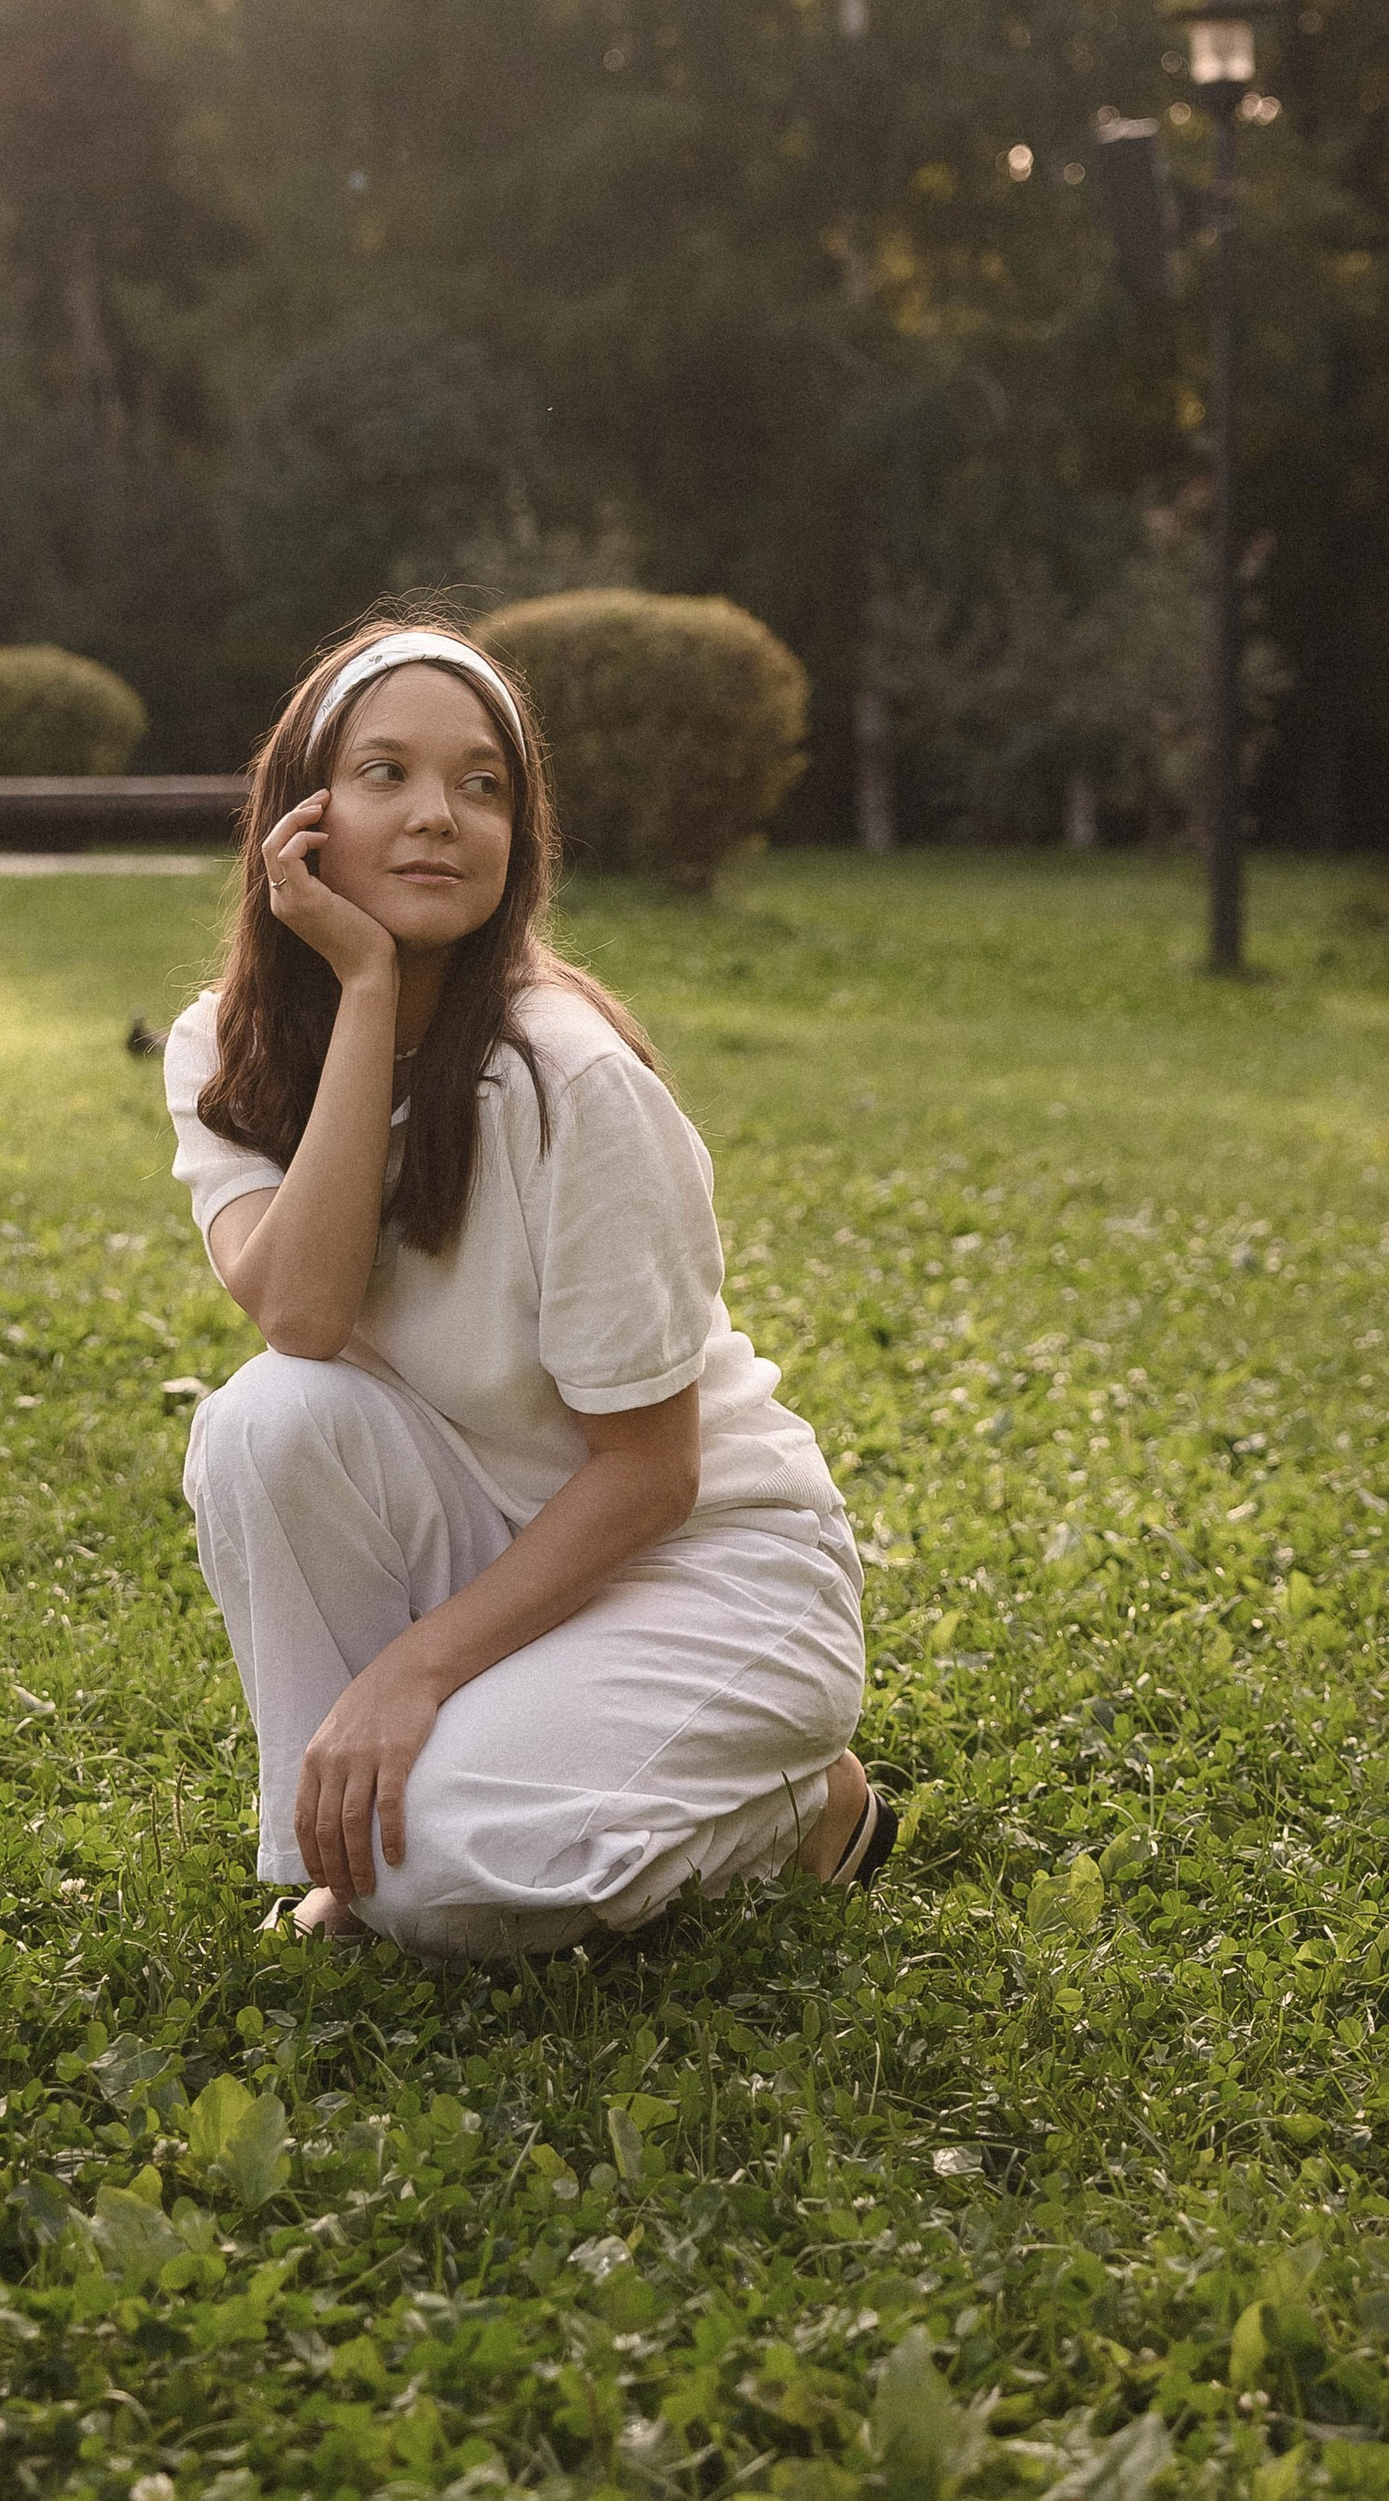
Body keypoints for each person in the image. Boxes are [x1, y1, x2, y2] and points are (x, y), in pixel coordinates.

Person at [164, 616, 894, 1958]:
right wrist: (369, 989)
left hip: (706, 1571)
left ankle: (798, 1796)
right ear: (302, 811)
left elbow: (653, 1472)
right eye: (386, 773)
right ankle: (342, 1858)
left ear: (521, 833)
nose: (439, 816)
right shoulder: (233, 1045)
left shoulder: (574, 1081)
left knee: (440, 1877)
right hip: (502, 1538)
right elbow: (305, 1317)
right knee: (268, 1417)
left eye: (483, 785)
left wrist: (416, 1669)